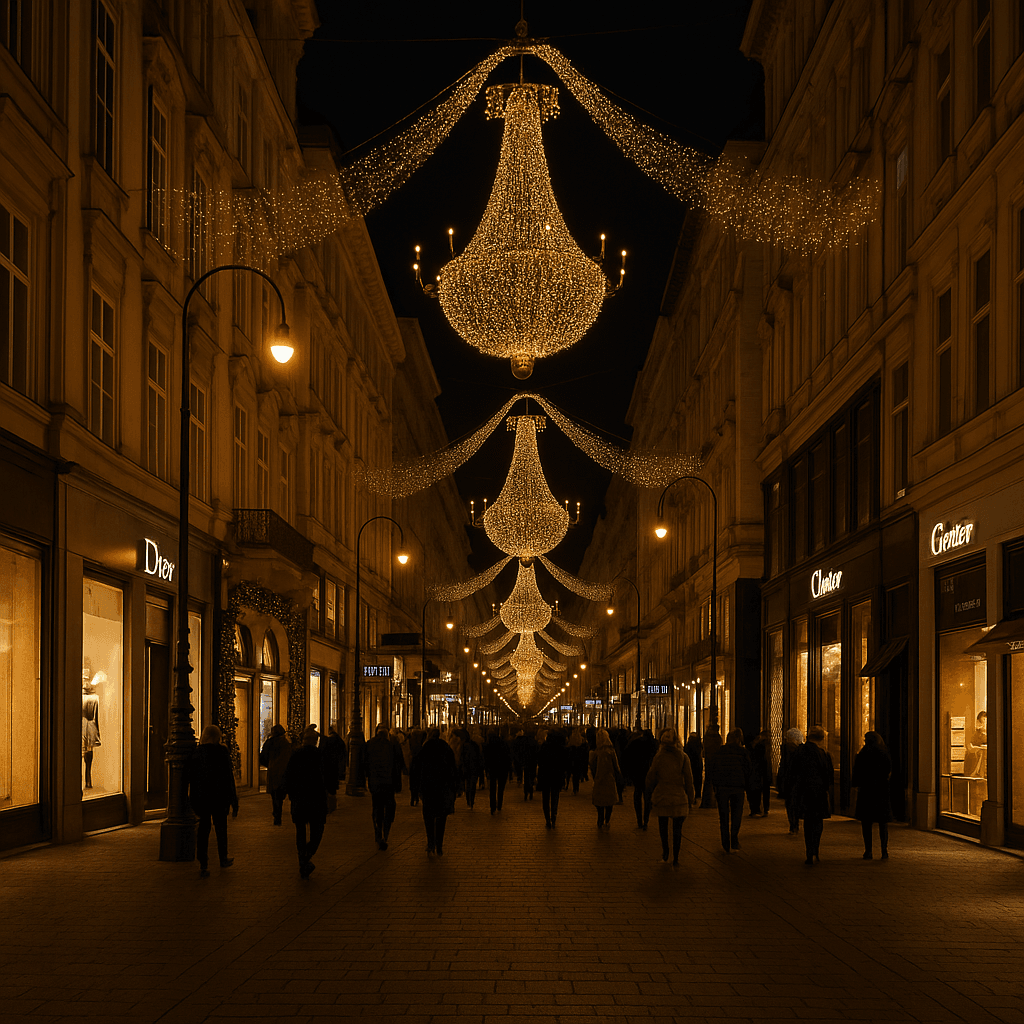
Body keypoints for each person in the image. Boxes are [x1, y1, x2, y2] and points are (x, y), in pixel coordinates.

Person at [186, 725, 238, 878]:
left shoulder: (196, 753)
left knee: (203, 829)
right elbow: (229, 778)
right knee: (221, 829)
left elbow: (190, 778)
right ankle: (223, 858)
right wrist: (233, 801)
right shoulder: (221, 752)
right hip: (219, 798)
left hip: (201, 798)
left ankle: (203, 862)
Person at [284, 723, 333, 878]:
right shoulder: (320, 755)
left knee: (300, 831)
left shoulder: (295, 754)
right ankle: (307, 855)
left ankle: (302, 858)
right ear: (315, 741)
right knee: (317, 830)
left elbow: (288, 776)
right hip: (316, 799)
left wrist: (291, 794)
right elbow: (327, 776)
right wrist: (330, 792)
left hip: (300, 799)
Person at [645, 727, 696, 865]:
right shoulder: (683, 757)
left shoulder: (659, 757)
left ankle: (665, 852)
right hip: (679, 797)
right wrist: (691, 798)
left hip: (662, 796)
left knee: (663, 827)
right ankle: (676, 857)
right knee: (677, 829)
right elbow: (689, 779)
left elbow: (651, 777)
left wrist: (648, 792)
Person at [789, 724, 834, 865]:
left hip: (804, 791)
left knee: (808, 822)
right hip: (818, 792)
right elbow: (828, 775)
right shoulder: (823, 754)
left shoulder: (799, 751)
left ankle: (809, 850)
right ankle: (816, 848)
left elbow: (792, 771)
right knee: (818, 821)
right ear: (821, 738)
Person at [411, 727, 458, 855]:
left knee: (428, 817)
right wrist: (455, 787)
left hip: (428, 787)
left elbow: (416, 768)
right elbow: (453, 768)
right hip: (442, 787)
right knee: (441, 818)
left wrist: (416, 789)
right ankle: (439, 845)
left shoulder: (425, 748)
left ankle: (430, 842)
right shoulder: (445, 747)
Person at [707, 728, 751, 852]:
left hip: (722, 787)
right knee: (737, 815)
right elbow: (748, 770)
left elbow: (713, 768)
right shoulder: (743, 752)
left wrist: (715, 785)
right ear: (738, 739)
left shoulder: (720, 751)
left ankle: (725, 842)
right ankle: (734, 839)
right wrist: (746, 784)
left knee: (724, 816)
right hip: (738, 787)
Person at [852, 731, 893, 859]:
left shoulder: (863, 754)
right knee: (883, 823)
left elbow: (857, 772)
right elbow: (888, 771)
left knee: (866, 823)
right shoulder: (884, 753)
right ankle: (884, 850)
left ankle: (868, 850)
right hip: (881, 791)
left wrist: (857, 785)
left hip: (867, 791)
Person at [363, 724, 403, 850]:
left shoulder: (369, 744)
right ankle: (385, 833)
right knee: (390, 807)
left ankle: (378, 833)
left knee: (377, 808)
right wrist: (398, 784)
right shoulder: (393, 745)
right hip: (389, 783)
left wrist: (366, 778)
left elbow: (364, 763)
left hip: (375, 783)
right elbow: (399, 765)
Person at [258, 724, 293, 825]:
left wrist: (269, 764)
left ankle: (277, 814)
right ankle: (278, 812)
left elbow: (263, 757)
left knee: (275, 795)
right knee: (281, 794)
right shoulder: (286, 743)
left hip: (273, 771)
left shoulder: (269, 743)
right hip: (284, 772)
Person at [624, 728, 657, 830]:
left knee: (637, 795)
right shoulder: (654, 744)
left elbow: (627, 757)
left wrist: (629, 773)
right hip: (649, 773)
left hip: (637, 773)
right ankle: (646, 820)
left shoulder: (635, 743)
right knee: (647, 797)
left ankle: (639, 820)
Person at [590, 728, 622, 829]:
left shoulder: (596, 752)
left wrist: (595, 776)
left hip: (599, 779)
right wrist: (619, 776)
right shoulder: (611, 751)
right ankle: (607, 820)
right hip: (609, 778)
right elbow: (616, 766)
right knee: (609, 802)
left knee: (599, 802)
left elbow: (592, 766)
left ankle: (600, 819)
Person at [536, 728, 568, 828]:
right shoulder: (561, 748)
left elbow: (539, 760)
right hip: (557, 775)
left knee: (545, 798)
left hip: (545, 775)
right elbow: (564, 763)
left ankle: (547, 820)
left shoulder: (544, 746)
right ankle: (554, 816)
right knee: (555, 797)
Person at [777, 727, 803, 834]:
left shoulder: (786, 749)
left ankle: (793, 825)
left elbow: (783, 766)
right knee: (795, 803)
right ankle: (795, 824)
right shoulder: (799, 750)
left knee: (790, 803)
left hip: (788, 780)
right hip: (796, 780)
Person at [483, 729, 513, 814]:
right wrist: (510, 770)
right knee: (501, 788)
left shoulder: (488, 745)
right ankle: (499, 804)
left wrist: (486, 770)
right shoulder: (504, 743)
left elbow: (485, 759)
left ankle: (492, 806)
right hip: (503, 769)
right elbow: (508, 757)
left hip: (492, 768)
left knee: (492, 788)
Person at [747, 728, 772, 816]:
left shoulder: (759, 745)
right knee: (764, 791)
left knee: (757, 791)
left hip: (758, 771)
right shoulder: (764, 746)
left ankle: (757, 809)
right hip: (763, 771)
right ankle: (763, 809)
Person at [699, 726, 722, 808]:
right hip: (716, 762)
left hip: (708, 761)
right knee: (716, 782)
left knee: (708, 781)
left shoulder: (707, 737)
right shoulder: (717, 738)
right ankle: (714, 801)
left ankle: (707, 801)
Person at [460, 728, 483, 809]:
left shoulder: (463, 746)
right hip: (474, 768)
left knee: (468, 785)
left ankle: (468, 801)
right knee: (472, 785)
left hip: (466, 767)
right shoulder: (475, 745)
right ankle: (471, 801)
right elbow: (479, 757)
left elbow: (461, 757)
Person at [568, 728, 589, 794]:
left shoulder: (571, 741)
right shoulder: (581, 741)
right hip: (579, 760)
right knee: (577, 774)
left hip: (573, 760)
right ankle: (577, 787)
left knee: (574, 775)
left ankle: (575, 788)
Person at [683, 732, 703, 803]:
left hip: (691, 765)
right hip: (697, 765)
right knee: (698, 781)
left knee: (690, 781)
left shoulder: (687, 746)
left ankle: (691, 797)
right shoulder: (699, 745)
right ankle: (697, 794)